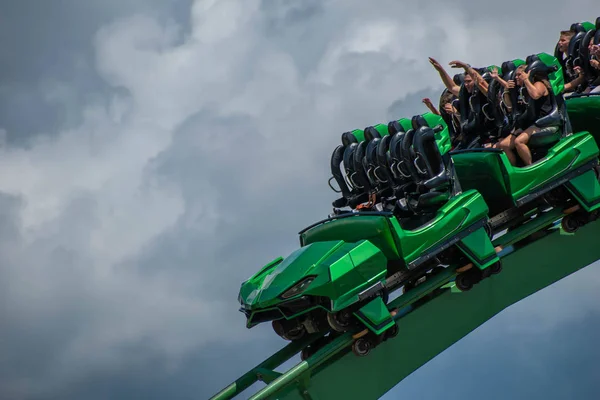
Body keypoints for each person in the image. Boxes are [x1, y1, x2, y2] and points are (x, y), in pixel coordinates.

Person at [493, 64, 553, 166]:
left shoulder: (538, 84)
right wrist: (507, 91)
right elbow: (510, 108)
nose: (516, 77)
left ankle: (531, 167)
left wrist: (526, 80)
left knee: (519, 142)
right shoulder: (521, 90)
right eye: (516, 75)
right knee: (503, 145)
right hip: (530, 124)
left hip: (544, 121)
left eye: (519, 75)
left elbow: (535, 95)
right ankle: (515, 170)